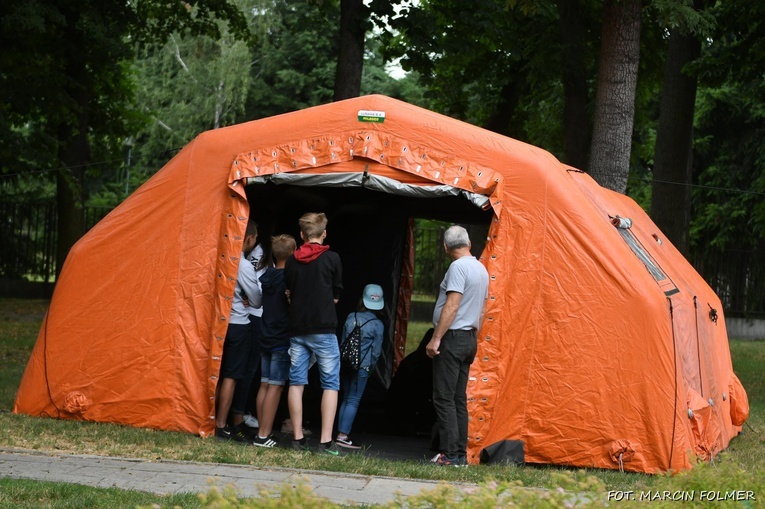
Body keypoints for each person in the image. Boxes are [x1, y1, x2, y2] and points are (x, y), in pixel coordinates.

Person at [426, 225, 489, 466]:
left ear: (445, 247)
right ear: (469, 243)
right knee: (458, 399)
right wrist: (474, 335)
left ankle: (449, 455)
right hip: (469, 337)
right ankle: (460, 455)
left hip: (452, 338)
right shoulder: (481, 269)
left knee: (443, 398)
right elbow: (483, 309)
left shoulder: (458, 267)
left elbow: (452, 305)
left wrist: (436, 338)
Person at [284, 212, 343, 455]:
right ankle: (326, 441)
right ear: (324, 233)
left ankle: (297, 437)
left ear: (301, 235)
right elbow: (336, 296)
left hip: (297, 328)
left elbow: (289, 293)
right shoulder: (332, 259)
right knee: (330, 383)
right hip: (324, 329)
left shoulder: (290, 261)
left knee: (296, 382)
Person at [215, 220, 262, 442]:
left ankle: (209, 417)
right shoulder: (242, 265)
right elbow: (255, 299)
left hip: (216, 324)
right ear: (250, 239)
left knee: (214, 373)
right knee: (231, 377)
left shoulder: (218, 257)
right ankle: (221, 424)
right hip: (238, 324)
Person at [251, 234, 296, 447]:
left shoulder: (267, 275)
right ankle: (263, 436)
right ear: (293, 253)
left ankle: (261, 430)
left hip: (265, 334)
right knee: (276, 387)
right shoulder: (288, 278)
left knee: (265, 383)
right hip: (281, 337)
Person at [335, 284, 385, 449]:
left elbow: (342, 341)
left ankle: (338, 433)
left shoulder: (351, 317)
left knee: (346, 398)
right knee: (354, 401)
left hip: (346, 364)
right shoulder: (378, 324)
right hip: (362, 367)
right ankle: (343, 435)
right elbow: (376, 352)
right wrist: (369, 369)